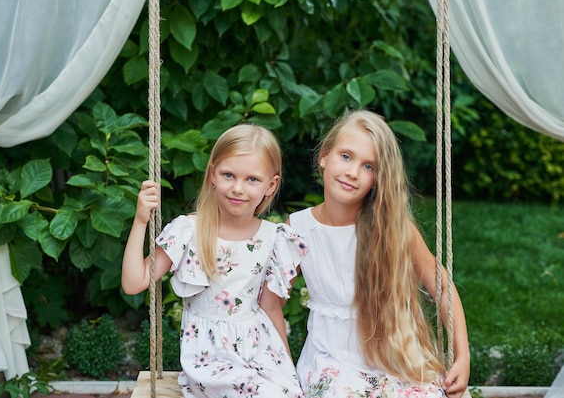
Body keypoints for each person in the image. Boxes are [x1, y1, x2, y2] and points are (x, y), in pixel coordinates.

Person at [289, 110, 470, 398]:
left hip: (392, 359)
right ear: (324, 156)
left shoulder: (393, 228)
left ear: (378, 178)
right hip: (331, 363)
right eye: (346, 156)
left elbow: (442, 287)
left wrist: (463, 357)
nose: (352, 172)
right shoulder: (296, 230)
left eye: (368, 166)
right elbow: (269, 304)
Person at [122, 124, 306, 398]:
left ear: (271, 185)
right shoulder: (189, 231)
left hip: (259, 352)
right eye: (228, 175)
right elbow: (134, 283)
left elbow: (271, 309)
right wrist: (140, 221)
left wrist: (288, 371)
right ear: (212, 175)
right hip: (210, 358)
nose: (238, 188)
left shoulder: (274, 238)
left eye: (252, 179)